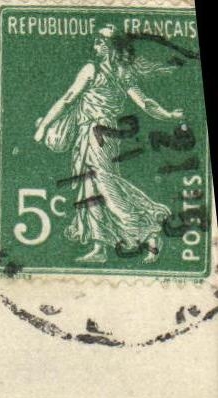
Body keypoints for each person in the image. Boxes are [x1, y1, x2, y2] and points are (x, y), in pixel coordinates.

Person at [33, 27, 184, 264]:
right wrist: (168, 115)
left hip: (97, 134)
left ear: (109, 46)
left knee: (106, 187)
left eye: (98, 41)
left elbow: (68, 99)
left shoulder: (92, 69)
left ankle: (149, 228)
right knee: (90, 189)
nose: (94, 45)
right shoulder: (122, 72)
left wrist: (44, 127)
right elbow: (146, 103)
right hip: (100, 134)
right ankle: (100, 246)